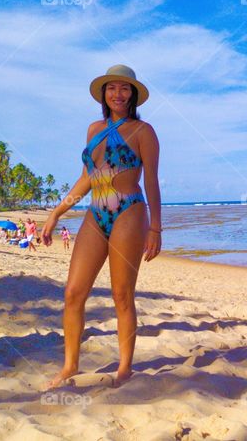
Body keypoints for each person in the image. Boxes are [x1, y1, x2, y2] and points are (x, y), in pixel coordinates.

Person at [43, 65, 162, 390]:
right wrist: (57, 213)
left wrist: (156, 228)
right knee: (73, 293)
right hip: (96, 212)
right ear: (104, 93)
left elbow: (151, 180)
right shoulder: (94, 128)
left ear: (133, 94)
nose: (118, 94)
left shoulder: (144, 131)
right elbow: (87, 178)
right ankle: (70, 366)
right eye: (112, 88)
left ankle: (125, 369)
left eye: (125, 89)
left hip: (129, 210)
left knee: (122, 294)